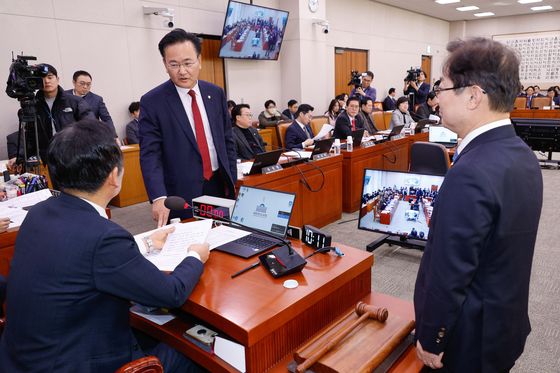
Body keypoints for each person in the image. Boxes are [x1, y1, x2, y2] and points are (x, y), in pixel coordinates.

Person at [0, 120, 209, 372]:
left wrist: (143, 243)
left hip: (24, 359)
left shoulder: (40, 212)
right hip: (77, 363)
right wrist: (195, 256)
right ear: (113, 176)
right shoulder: (104, 236)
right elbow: (171, 293)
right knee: (198, 353)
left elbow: (77, 255)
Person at [414, 37, 543, 373]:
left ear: (473, 96)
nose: (435, 98)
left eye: (441, 87)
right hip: (502, 324)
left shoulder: (470, 172)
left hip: (468, 342)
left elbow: (449, 271)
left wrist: (432, 336)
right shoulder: (523, 155)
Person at [139, 28, 237, 226]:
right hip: (179, 194)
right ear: (165, 65)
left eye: (187, 63)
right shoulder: (153, 101)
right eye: (173, 64)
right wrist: (158, 197)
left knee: (223, 238)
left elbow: (227, 139)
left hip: (218, 184)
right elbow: (150, 154)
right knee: (188, 248)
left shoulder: (215, 93)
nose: (182, 71)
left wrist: (232, 179)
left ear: (199, 61)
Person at [33, 64, 94, 160]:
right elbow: (29, 135)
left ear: (57, 79)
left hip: (75, 154)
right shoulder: (34, 105)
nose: (46, 81)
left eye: (50, 77)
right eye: (42, 78)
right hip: (50, 157)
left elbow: (90, 125)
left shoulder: (75, 101)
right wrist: (19, 156)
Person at [67, 70, 116, 136]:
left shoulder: (97, 99)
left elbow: (106, 119)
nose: (85, 87)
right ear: (74, 82)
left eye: (88, 84)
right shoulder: (64, 96)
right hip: (68, 136)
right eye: (82, 83)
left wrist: (113, 136)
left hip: (90, 136)